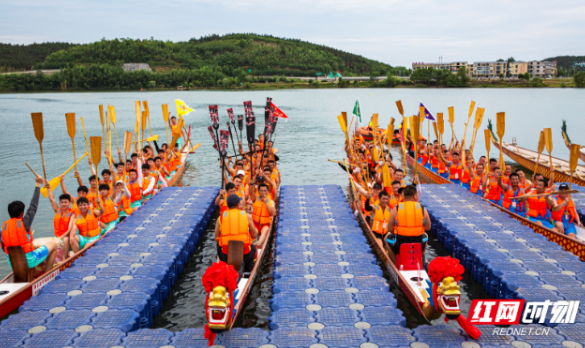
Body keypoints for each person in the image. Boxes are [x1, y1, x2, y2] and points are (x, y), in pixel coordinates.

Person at [1, 176, 58, 273]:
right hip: (29, 261)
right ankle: (48, 275)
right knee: (54, 245)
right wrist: (38, 185)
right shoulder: (25, 223)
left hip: (12, 262)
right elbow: (33, 205)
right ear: (22, 213)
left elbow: (4, 247)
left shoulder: (4, 228)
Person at [385, 185, 431, 264]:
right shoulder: (423, 208)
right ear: (414, 196)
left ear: (403, 196)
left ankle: (396, 263)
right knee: (426, 236)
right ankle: (419, 258)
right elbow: (428, 227)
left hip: (400, 244)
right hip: (418, 243)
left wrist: (397, 232)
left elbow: (389, 228)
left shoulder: (397, 208)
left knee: (386, 238)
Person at [215, 194, 258, 273]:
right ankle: (248, 271)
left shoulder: (220, 218)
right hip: (244, 254)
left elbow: (216, 238)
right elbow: (254, 235)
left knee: (218, 245)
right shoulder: (246, 216)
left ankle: (224, 266)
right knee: (253, 247)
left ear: (227, 205)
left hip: (226, 255)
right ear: (239, 204)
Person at [47, 186, 76, 258]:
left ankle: (65, 259)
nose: (63, 204)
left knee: (65, 239)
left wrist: (59, 238)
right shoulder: (57, 210)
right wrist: (48, 187)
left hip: (67, 238)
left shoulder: (72, 214)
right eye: (62, 202)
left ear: (69, 203)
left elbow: (69, 230)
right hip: (58, 237)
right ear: (59, 203)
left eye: (65, 202)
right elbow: (51, 199)